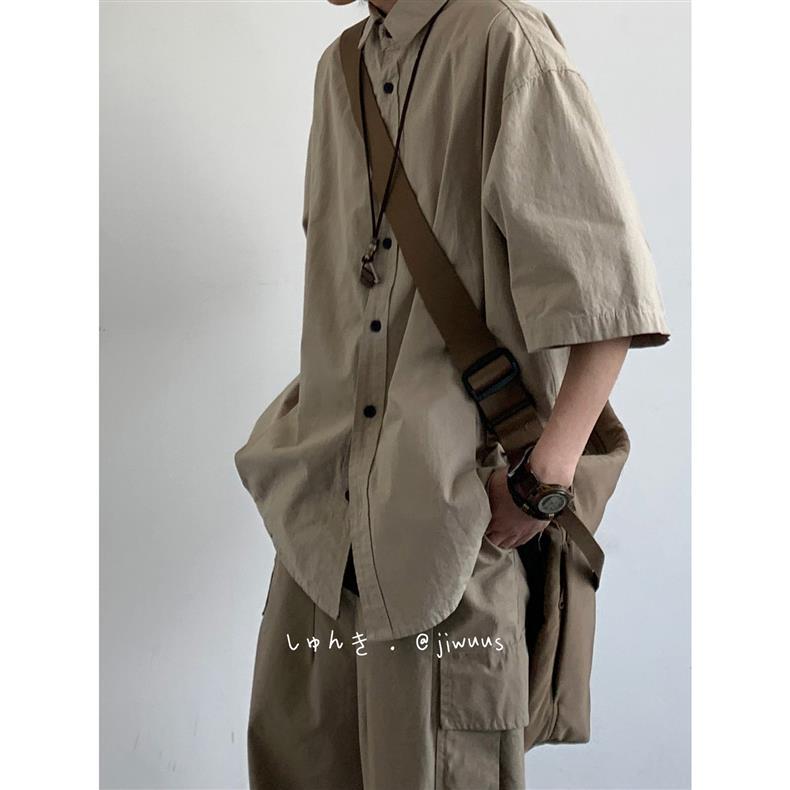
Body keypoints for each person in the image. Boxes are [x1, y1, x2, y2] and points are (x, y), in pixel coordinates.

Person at [234, 1, 670, 788]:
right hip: (318, 541)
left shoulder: (505, 41)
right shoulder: (340, 70)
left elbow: (609, 304)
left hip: (448, 544)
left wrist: (539, 487)